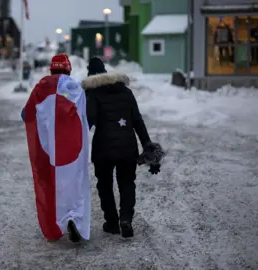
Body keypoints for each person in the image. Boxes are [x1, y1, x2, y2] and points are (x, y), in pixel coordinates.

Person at [81, 57, 162, 238]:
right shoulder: (126, 91)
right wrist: (149, 148)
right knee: (127, 183)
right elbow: (138, 121)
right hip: (127, 146)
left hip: (103, 148)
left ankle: (112, 222)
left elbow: (88, 121)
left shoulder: (93, 94)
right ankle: (126, 219)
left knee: (105, 184)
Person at [21, 54, 91, 243]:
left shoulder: (41, 88)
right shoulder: (75, 88)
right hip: (72, 149)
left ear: (51, 69)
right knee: (75, 186)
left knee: (52, 186)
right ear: (68, 69)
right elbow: (87, 117)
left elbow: (25, 114)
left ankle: (59, 222)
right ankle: (74, 218)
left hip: (49, 149)